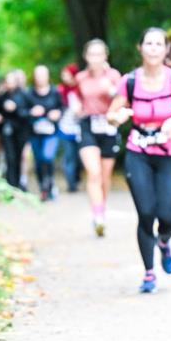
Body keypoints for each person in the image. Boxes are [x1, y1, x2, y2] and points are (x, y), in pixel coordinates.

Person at [108, 27, 171, 294]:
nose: (154, 48)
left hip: (169, 152)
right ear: (141, 48)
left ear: (165, 49)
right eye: (149, 43)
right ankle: (148, 273)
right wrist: (118, 117)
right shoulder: (130, 81)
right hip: (139, 151)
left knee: (168, 216)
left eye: (159, 44)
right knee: (146, 213)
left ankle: (165, 242)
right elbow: (111, 114)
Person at [74, 39, 123, 236]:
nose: (95, 58)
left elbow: (122, 99)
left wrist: (109, 88)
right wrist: (76, 107)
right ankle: (98, 217)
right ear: (86, 57)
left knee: (104, 176)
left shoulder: (113, 76)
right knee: (93, 173)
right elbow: (77, 97)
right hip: (88, 125)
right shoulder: (81, 78)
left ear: (105, 56)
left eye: (99, 54)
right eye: (91, 54)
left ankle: (101, 207)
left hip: (109, 124)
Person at [0, 69, 33, 189]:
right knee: (10, 157)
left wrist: (16, 109)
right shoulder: (2, 96)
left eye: (11, 80)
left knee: (20, 157)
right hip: (7, 130)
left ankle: (21, 183)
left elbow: (30, 112)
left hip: (21, 131)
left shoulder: (24, 95)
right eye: (7, 80)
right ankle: (11, 185)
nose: (9, 83)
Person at [28, 65, 63, 201]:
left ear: (48, 76)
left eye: (43, 75)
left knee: (47, 157)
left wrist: (57, 113)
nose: (40, 78)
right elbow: (22, 111)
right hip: (34, 133)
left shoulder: (55, 92)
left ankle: (50, 183)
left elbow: (63, 108)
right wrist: (31, 112)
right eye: (38, 75)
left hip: (51, 132)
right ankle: (43, 187)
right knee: (38, 160)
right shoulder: (29, 93)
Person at [57, 63, 82, 192]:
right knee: (68, 157)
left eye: (66, 74)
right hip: (65, 128)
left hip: (80, 129)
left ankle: (76, 178)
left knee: (79, 158)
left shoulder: (81, 89)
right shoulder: (60, 91)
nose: (64, 77)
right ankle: (71, 184)